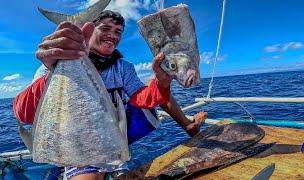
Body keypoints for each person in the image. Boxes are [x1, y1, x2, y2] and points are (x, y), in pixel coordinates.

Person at [13, 10, 207, 180]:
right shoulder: (55, 65)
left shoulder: (122, 68)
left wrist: (162, 83)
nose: (112, 36)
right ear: (90, 30)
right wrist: (54, 72)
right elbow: (23, 113)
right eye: (105, 29)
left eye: (118, 32)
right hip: (80, 148)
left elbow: (142, 98)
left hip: (113, 143)